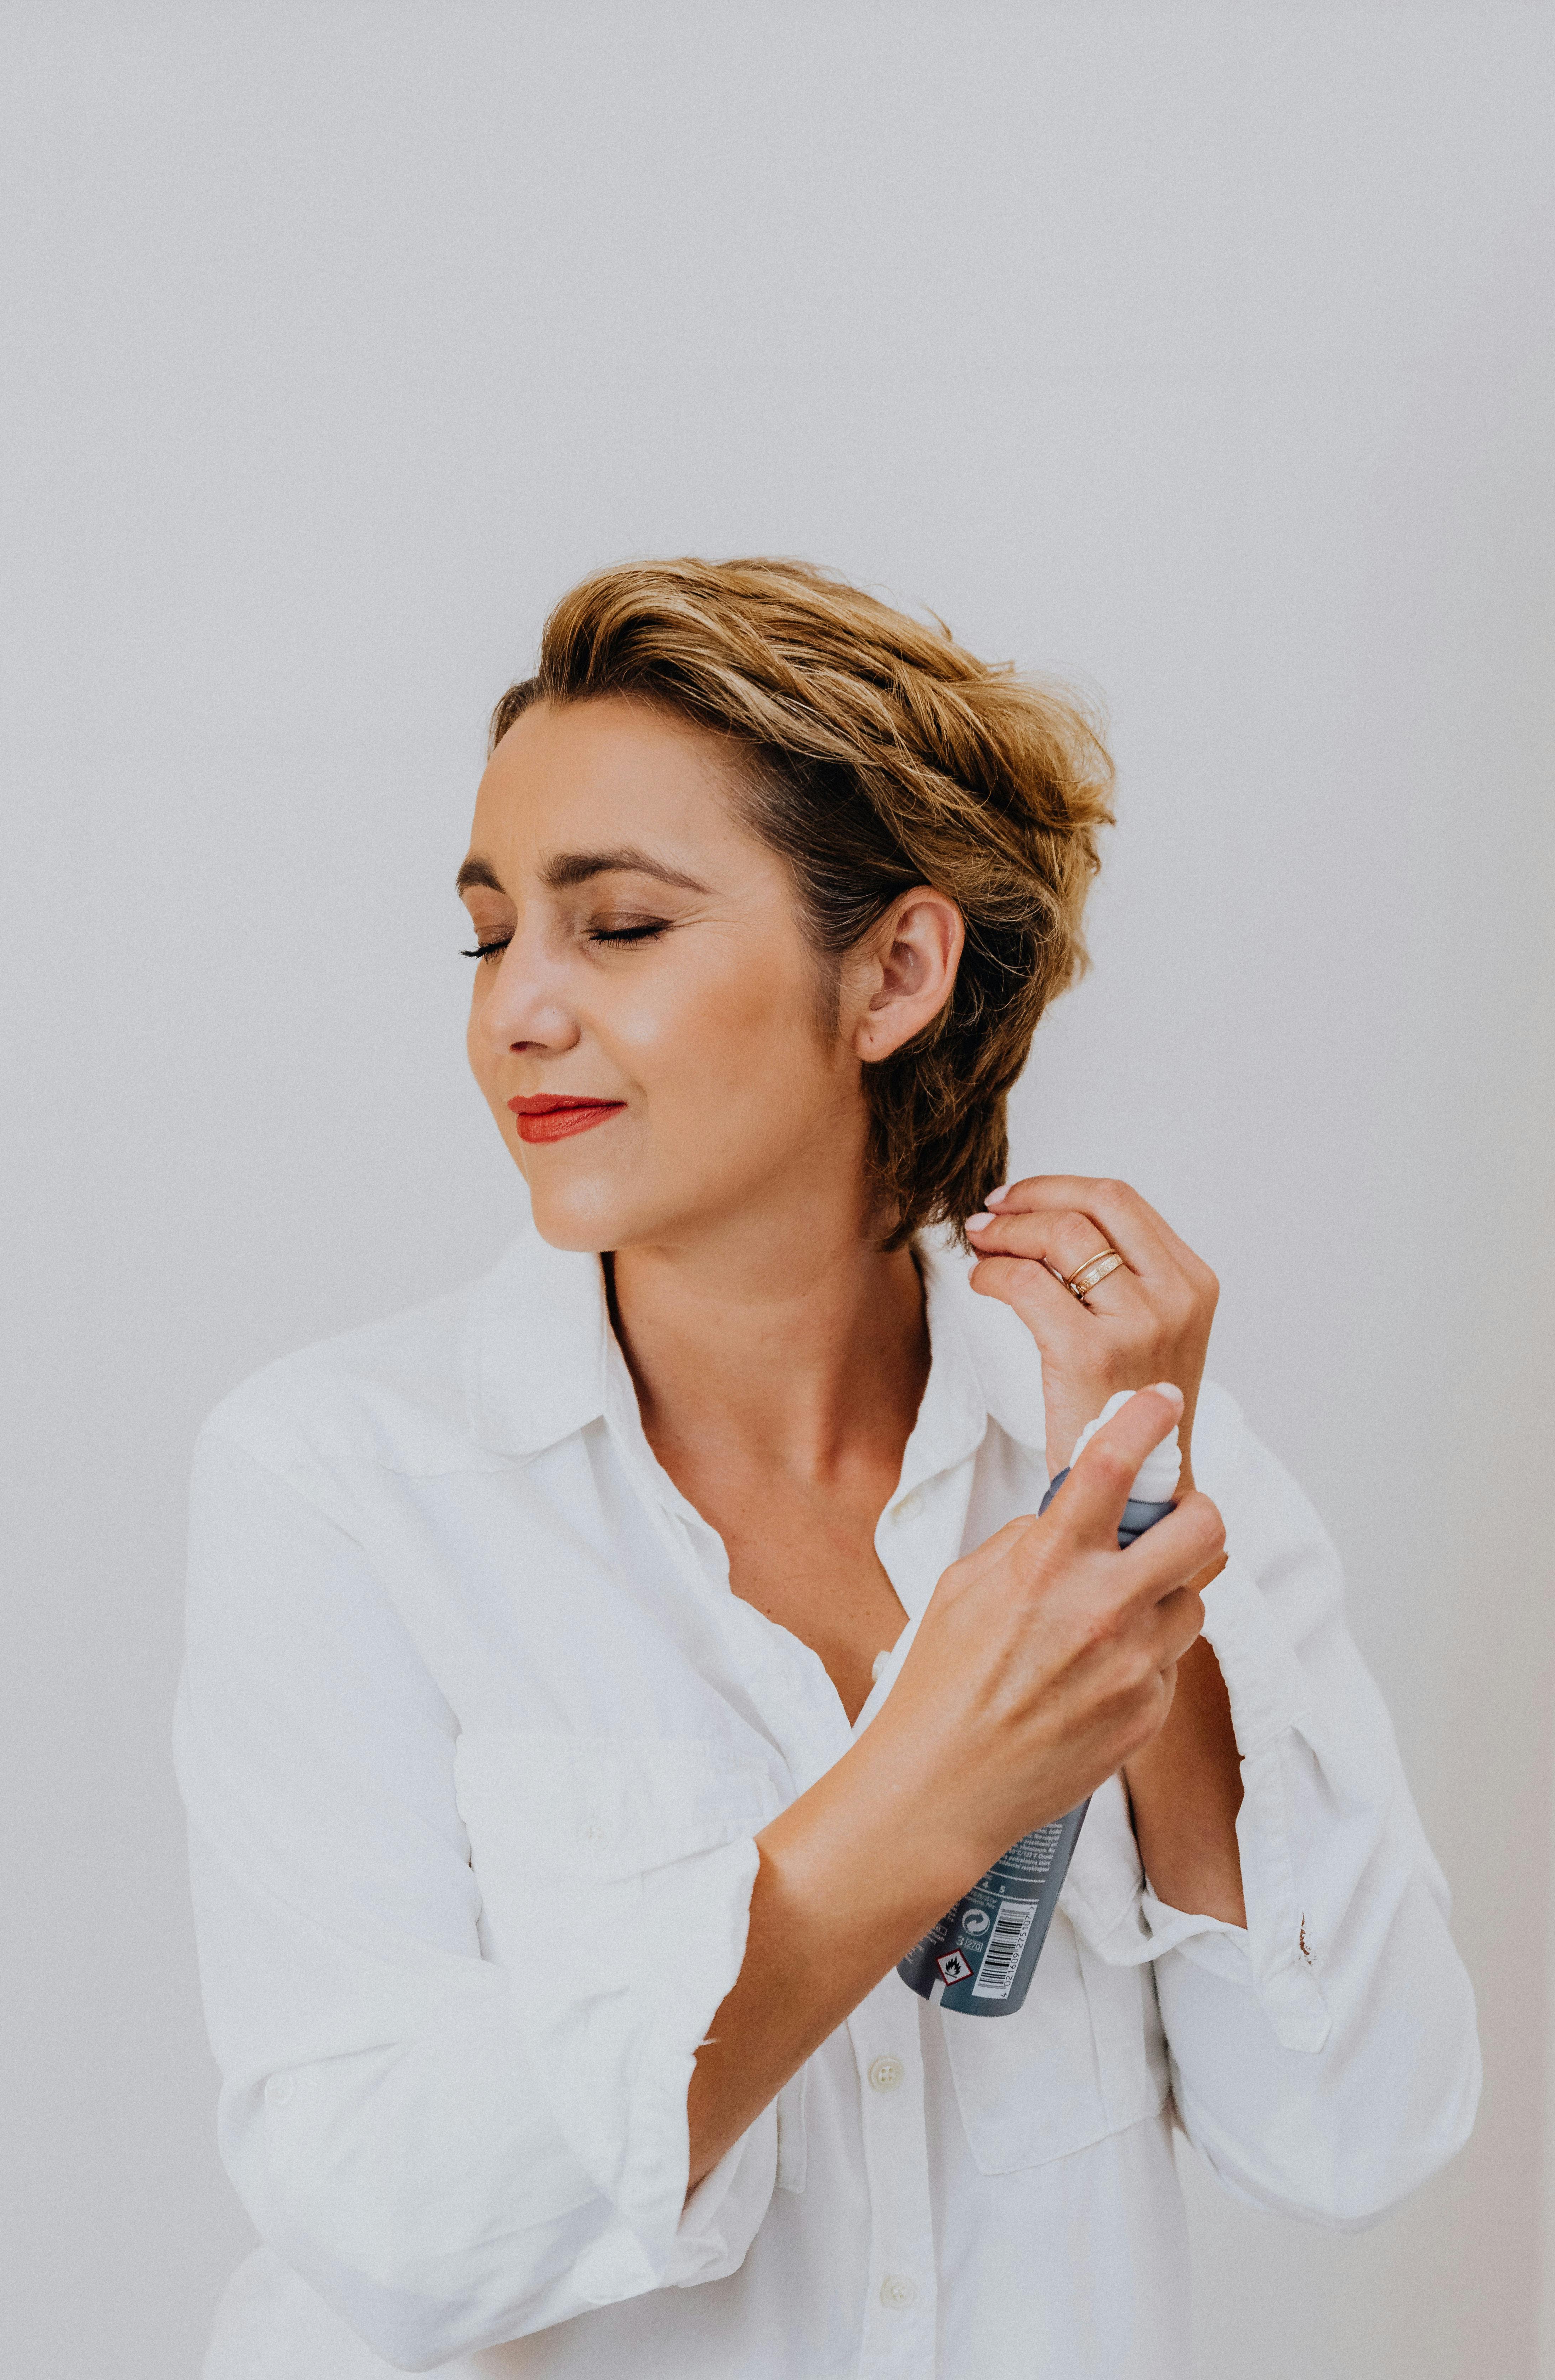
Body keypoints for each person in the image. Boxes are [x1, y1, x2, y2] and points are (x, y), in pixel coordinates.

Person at [176, 557, 1480, 2380]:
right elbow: (388, 2223)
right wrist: (924, 1804)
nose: (514, 1013)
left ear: (892, 972)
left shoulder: (1137, 1448)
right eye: (491, 935)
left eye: (616, 926)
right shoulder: (344, 1483)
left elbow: (1353, 2133)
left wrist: (1138, 1534)